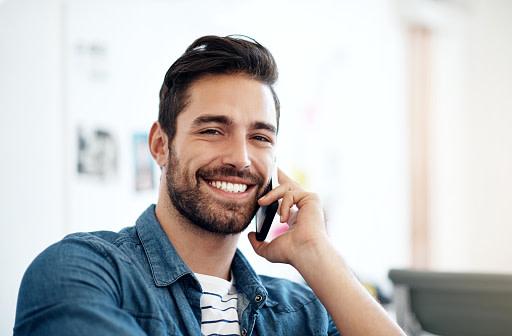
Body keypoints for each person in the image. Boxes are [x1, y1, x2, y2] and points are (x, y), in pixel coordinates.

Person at [14, 35, 404, 336]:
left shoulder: (303, 312)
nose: (241, 158)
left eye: (261, 137)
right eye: (213, 130)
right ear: (160, 144)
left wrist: (317, 253)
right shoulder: (82, 270)